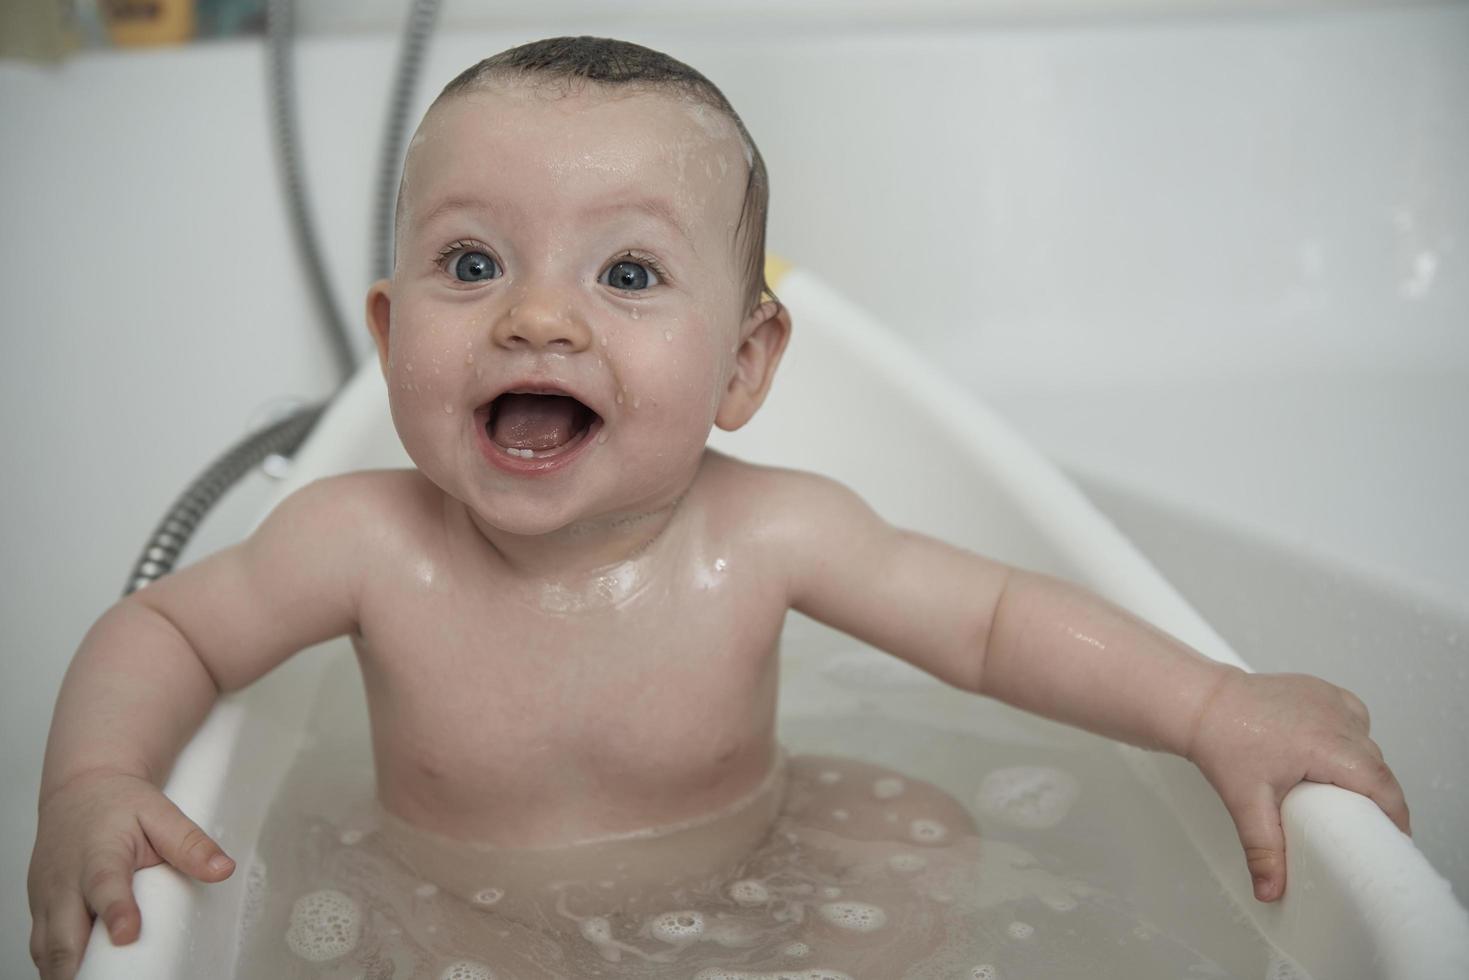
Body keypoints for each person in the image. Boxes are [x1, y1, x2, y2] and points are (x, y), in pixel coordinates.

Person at [28, 36, 1409, 980]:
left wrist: (1210, 709)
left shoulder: (770, 534)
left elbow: (991, 624)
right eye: (471, 260)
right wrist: (95, 782)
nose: (538, 314)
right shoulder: (360, 545)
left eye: (626, 275)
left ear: (742, 365)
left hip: (756, 876)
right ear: (389, 338)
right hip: (448, 920)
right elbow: (165, 633)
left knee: (919, 839)